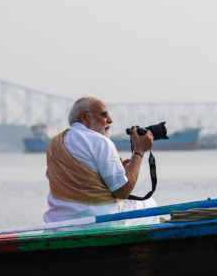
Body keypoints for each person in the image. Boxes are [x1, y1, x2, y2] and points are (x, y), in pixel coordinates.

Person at [43, 95, 158, 231]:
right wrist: (139, 151)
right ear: (84, 117)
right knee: (150, 204)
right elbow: (122, 192)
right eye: (104, 115)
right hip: (98, 222)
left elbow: (80, 179)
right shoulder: (101, 142)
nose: (110, 120)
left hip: (58, 223)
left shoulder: (56, 143)